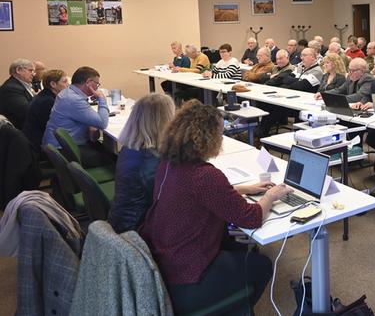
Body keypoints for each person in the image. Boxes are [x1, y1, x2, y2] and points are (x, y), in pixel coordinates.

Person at [139, 100, 290, 315]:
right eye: (220, 134)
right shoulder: (205, 175)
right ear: (206, 137)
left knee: (237, 248)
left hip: (163, 259)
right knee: (262, 265)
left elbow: (199, 195)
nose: (222, 139)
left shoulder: (169, 162)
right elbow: (251, 217)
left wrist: (246, 189)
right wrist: (270, 195)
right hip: (187, 272)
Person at [108, 93, 175, 233]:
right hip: (139, 229)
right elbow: (169, 200)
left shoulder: (132, 147)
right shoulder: (150, 161)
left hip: (123, 220)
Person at [42, 66, 112, 167]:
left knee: (103, 148)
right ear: (88, 82)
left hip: (60, 145)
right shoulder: (73, 99)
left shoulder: (68, 92)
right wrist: (102, 99)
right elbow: (102, 123)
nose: (97, 87)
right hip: (63, 150)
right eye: (97, 83)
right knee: (115, 158)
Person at [23, 69, 69, 154]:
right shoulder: (47, 102)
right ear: (53, 84)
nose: (68, 85)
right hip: (41, 147)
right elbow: (57, 126)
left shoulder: (46, 96)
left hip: (38, 141)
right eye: (65, 82)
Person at [0, 59, 36, 129]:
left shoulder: (20, 85)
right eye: (30, 70)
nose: (33, 74)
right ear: (18, 70)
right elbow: (26, 112)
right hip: (21, 131)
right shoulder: (11, 88)